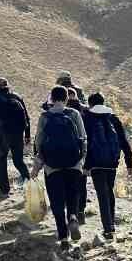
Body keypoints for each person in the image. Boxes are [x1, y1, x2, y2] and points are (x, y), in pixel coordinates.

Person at [33, 85, 88, 247]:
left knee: (56, 200)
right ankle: (73, 216)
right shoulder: (74, 113)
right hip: (73, 163)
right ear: (66, 98)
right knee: (73, 194)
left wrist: (38, 165)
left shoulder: (45, 117)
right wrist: (81, 159)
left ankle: (63, 238)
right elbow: (83, 137)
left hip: (52, 166)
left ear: (51, 98)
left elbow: (39, 142)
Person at [82, 92, 132, 240]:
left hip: (96, 163)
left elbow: (86, 143)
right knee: (109, 191)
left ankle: (108, 229)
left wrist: (86, 165)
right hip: (112, 163)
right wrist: (129, 164)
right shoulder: (113, 118)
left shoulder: (87, 118)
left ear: (90, 104)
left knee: (102, 194)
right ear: (103, 102)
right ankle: (111, 225)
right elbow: (124, 142)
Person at [52, 72, 89, 224]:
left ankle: (67, 212)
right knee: (80, 181)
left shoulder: (57, 94)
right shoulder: (79, 94)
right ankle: (80, 211)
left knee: (62, 180)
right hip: (78, 146)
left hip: (58, 148)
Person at [0, 77, 31, 197]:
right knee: (18, 161)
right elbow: (26, 117)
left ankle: (4, 190)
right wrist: (27, 135)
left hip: (2, 135)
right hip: (18, 134)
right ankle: (30, 184)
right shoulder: (17, 97)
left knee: (1, 162)